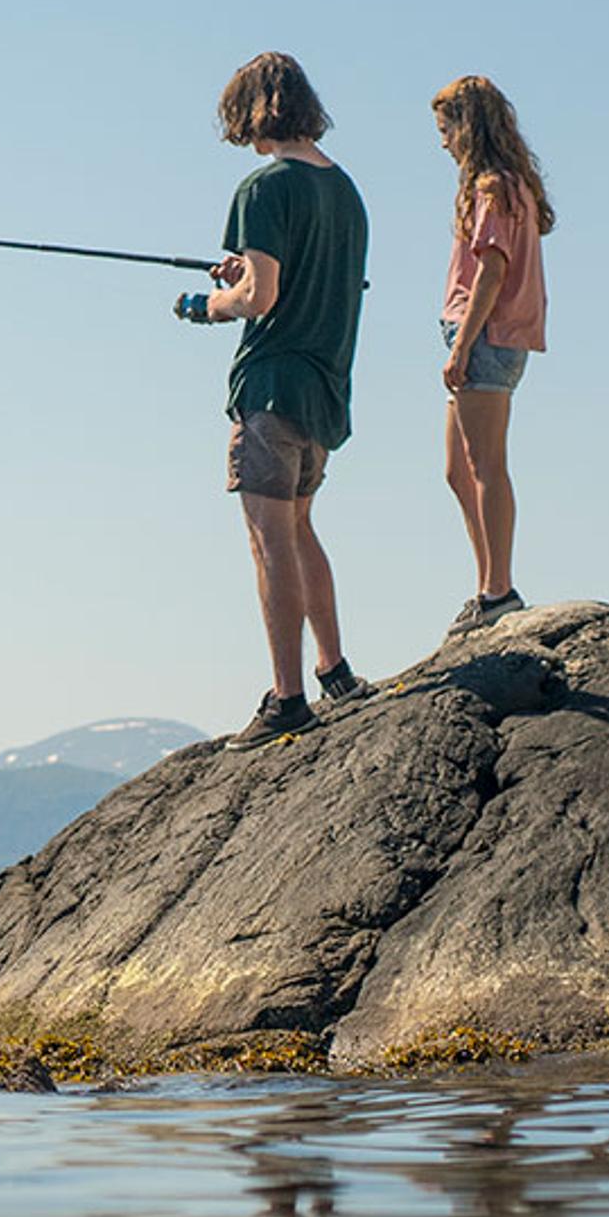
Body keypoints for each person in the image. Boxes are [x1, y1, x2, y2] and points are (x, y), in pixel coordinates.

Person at [180, 52, 371, 746]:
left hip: (271, 388)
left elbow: (260, 298)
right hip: (326, 391)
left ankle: (289, 699)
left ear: (252, 111)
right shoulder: (345, 191)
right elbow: (295, 277)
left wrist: (210, 304)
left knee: (269, 543)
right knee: (299, 529)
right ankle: (336, 670)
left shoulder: (263, 189)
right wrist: (248, 271)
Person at [430, 75, 552, 636]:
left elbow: (492, 268)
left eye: (447, 128)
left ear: (468, 125)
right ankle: (488, 584)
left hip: (486, 337)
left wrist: (461, 344)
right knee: (460, 469)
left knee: (485, 465)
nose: (444, 141)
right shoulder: (510, 185)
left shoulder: (492, 188)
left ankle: (498, 588)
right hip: (484, 336)